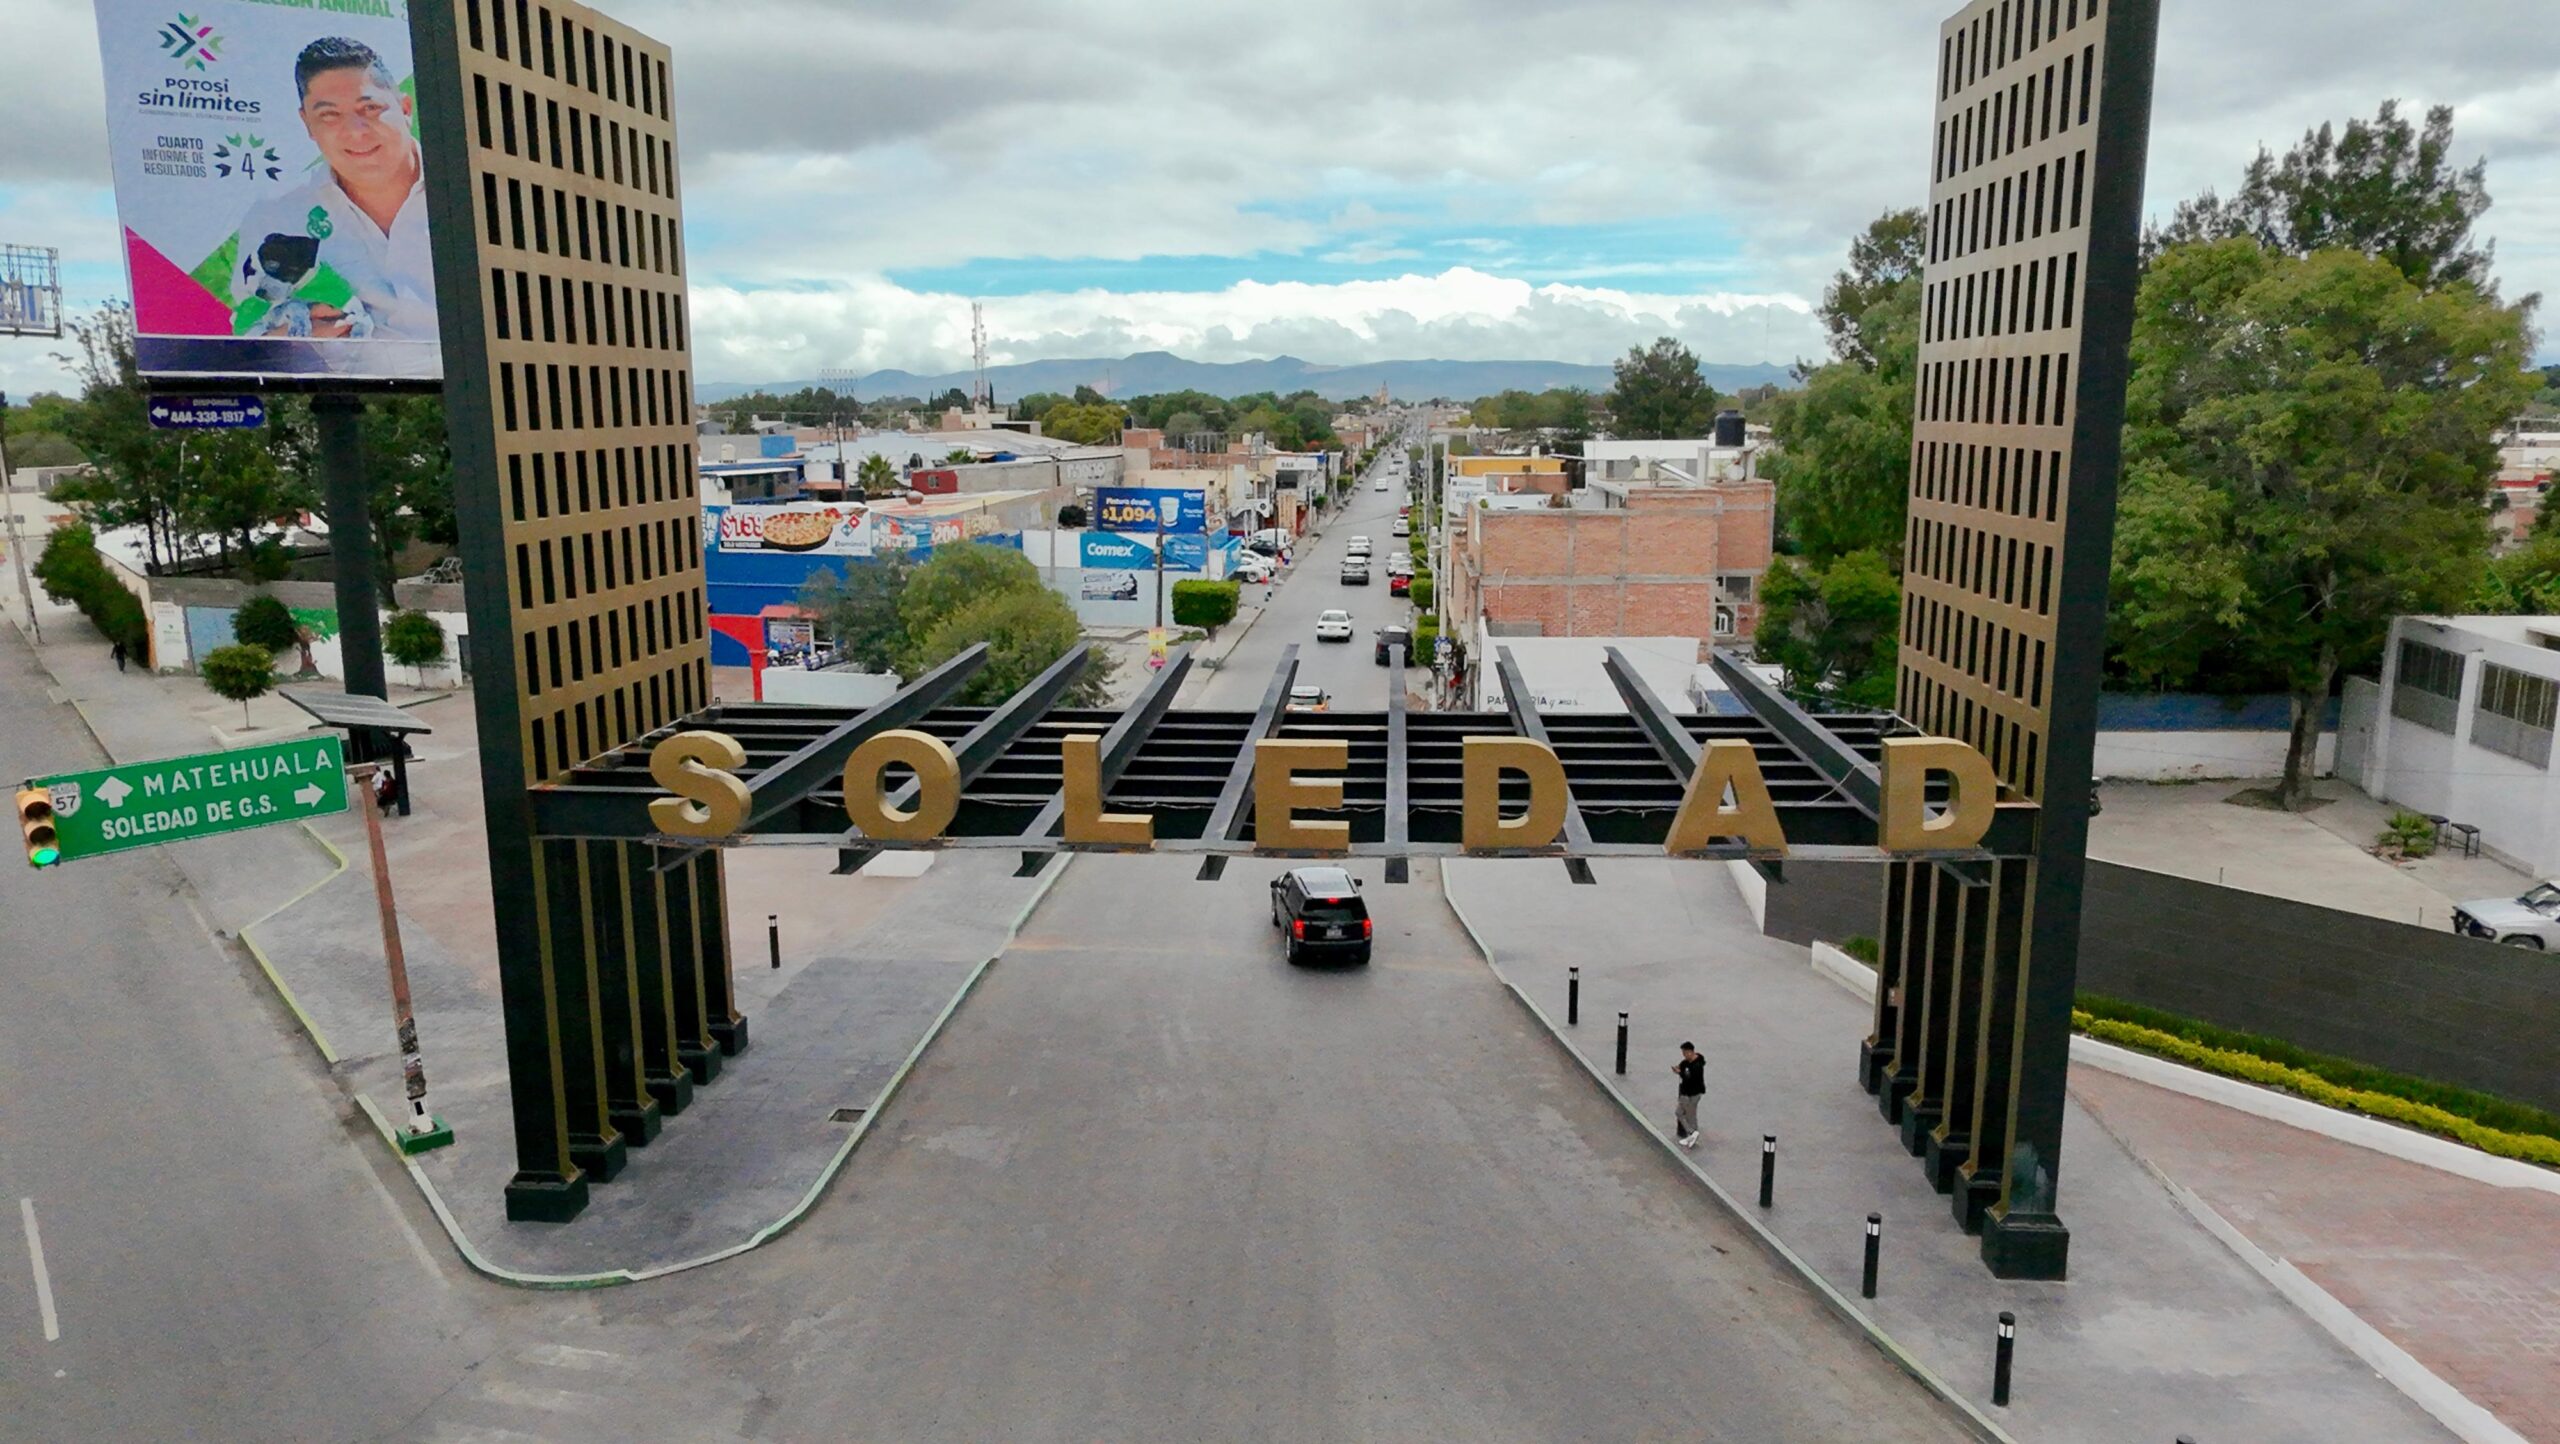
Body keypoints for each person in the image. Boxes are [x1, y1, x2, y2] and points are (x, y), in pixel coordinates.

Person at [231, 36, 435, 341]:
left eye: (369, 108)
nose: (355, 132)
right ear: (307, 124)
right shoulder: (277, 217)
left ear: (405, 109)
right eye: (329, 115)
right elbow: (248, 332)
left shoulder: (479, 192)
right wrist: (292, 340)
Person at [1672, 1042, 1706, 1148]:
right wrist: (1678, 1069)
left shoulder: (1697, 1066)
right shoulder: (1686, 1062)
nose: (1684, 1055)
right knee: (1680, 1113)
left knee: (1690, 1115)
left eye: (1685, 1053)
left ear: (1690, 1052)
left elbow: (1691, 1079)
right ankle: (1692, 1133)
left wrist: (1680, 1073)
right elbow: (1682, 1067)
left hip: (1692, 1094)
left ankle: (1692, 1133)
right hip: (1685, 1093)